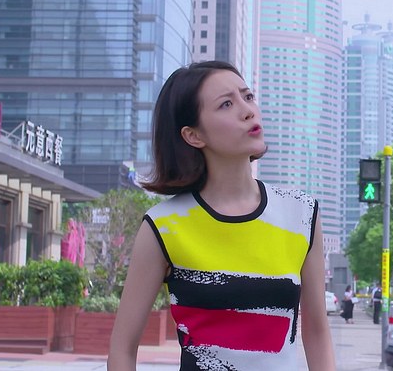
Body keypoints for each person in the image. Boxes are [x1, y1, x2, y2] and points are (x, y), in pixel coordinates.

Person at [107, 61, 335, 370]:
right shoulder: (163, 226)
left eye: (248, 96)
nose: (248, 111)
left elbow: (317, 332)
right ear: (193, 135)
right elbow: (122, 350)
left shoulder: (301, 213)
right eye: (226, 104)